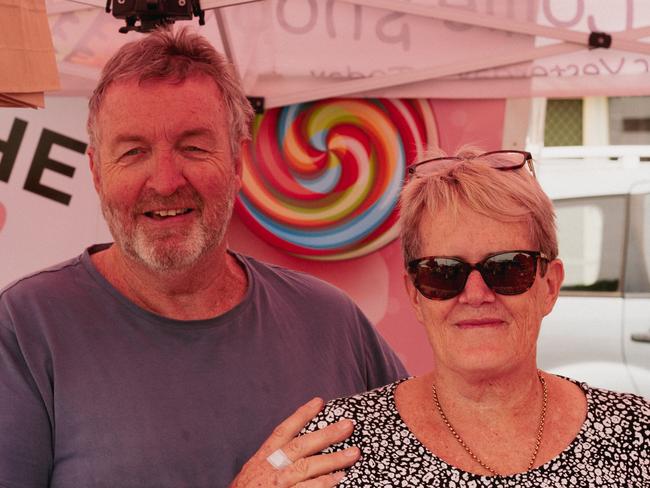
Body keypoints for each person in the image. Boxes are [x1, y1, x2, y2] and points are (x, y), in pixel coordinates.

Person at [0, 27, 407, 487]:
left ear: (236, 163)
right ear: (96, 173)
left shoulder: (331, 322)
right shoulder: (25, 328)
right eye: (133, 152)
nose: (166, 181)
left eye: (193, 147)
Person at [303, 148, 650, 486]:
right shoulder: (334, 445)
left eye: (507, 267)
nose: (476, 295)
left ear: (550, 285)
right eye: (442, 271)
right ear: (415, 294)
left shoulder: (637, 434)